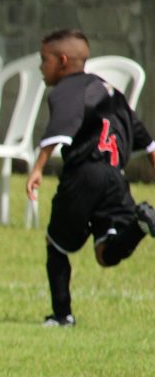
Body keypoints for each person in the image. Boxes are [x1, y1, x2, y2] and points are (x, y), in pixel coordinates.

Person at [27, 29, 155, 327]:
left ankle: (62, 316)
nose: (40, 68)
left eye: (43, 60)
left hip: (83, 175)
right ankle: (139, 224)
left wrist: (37, 168)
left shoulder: (67, 90)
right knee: (105, 253)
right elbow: (144, 137)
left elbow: (59, 128)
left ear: (61, 61)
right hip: (114, 178)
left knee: (55, 244)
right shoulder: (110, 90)